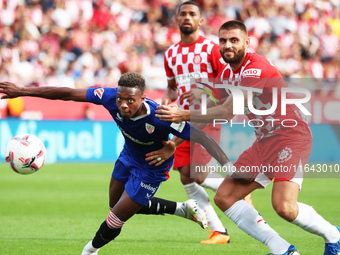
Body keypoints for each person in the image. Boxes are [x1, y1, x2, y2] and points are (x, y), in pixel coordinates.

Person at [155, 20, 340, 255]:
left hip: (291, 137)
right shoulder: (225, 72)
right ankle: (283, 250)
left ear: (246, 42)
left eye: (234, 40)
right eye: (223, 40)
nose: (227, 45)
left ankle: (334, 236)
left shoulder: (255, 67)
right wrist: (175, 142)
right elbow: (209, 112)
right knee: (225, 197)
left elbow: (227, 111)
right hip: (265, 141)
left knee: (284, 207)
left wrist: (182, 113)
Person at [0, 72, 233, 255]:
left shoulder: (160, 117)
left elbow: (202, 137)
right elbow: (69, 93)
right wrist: (22, 90)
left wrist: (226, 165)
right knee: (115, 205)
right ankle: (182, 208)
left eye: (130, 100)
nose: (123, 105)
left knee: (116, 218)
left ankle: (89, 250)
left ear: (143, 97)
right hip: (128, 156)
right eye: (121, 99)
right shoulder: (109, 96)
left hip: (152, 168)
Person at [162, 1, 252, 244]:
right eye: (183, 14)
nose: (188, 18)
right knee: (186, 177)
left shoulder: (212, 49)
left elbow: (229, 80)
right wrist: (164, 106)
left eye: (193, 14)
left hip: (206, 116)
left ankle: (239, 188)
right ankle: (219, 232)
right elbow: (172, 89)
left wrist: (205, 90)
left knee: (199, 175)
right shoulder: (170, 54)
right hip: (180, 120)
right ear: (177, 19)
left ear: (200, 21)